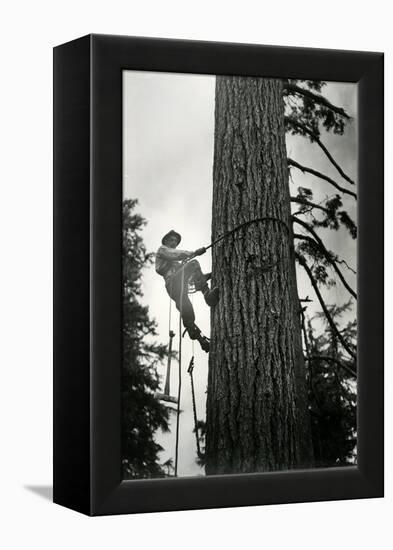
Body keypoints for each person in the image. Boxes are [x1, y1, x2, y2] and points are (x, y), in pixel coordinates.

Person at [155, 230, 219, 352]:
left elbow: (193, 278)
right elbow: (175, 254)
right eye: (172, 240)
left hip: (177, 287)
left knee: (188, 312)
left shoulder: (176, 264)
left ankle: (202, 341)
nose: (174, 242)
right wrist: (193, 253)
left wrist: (209, 275)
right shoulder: (162, 250)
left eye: (175, 241)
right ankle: (208, 296)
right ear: (166, 241)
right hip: (172, 283)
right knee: (194, 263)